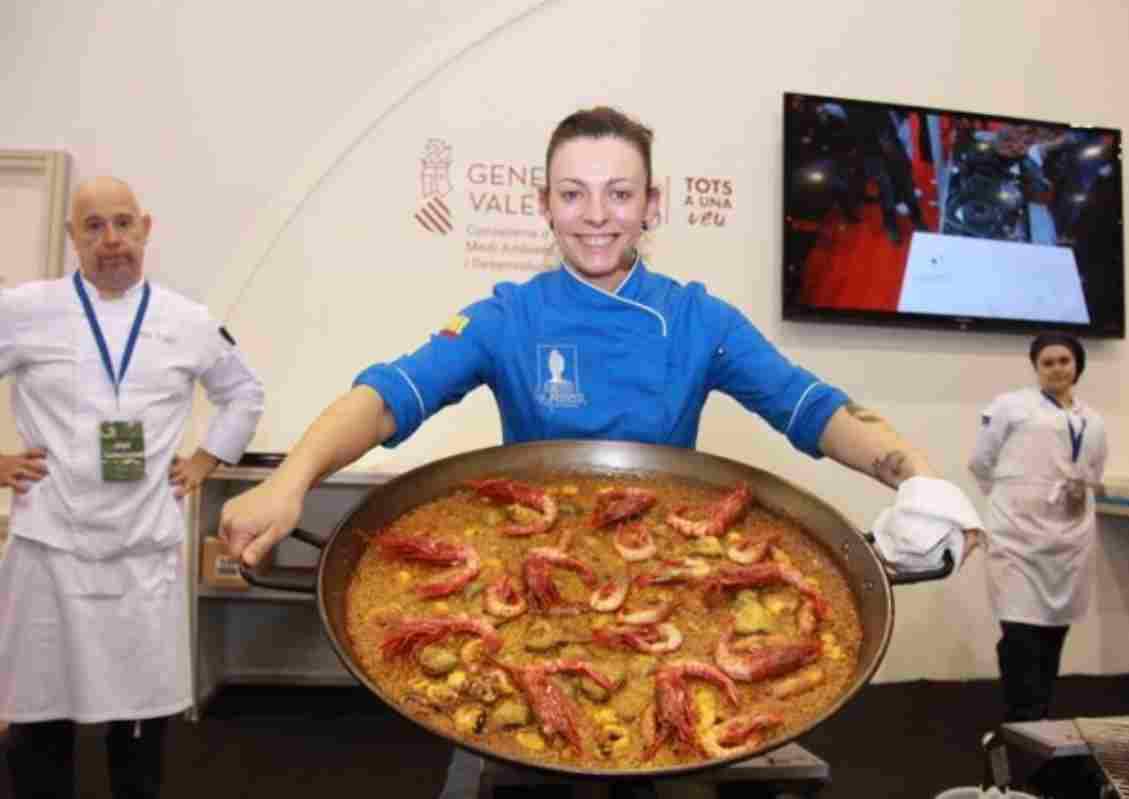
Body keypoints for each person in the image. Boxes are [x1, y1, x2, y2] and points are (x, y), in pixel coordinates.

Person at [219, 107, 981, 798]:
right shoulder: (508, 316)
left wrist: (920, 477)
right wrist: (291, 480)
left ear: (653, 205)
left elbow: (813, 407)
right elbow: (389, 395)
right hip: (532, 586)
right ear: (543, 203)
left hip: (674, 582)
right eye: (573, 193)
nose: (595, 215)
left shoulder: (697, 318)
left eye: (619, 194)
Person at [0, 176, 265, 799]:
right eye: (93, 226)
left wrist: (205, 461)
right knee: (40, 721)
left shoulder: (187, 320)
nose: (111, 239)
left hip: (143, 552)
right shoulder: (25, 310)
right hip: (49, 547)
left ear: (146, 229)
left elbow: (242, 393)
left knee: (141, 727)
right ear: (73, 236)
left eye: (122, 223)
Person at [968, 332, 1107, 727]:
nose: (1057, 368)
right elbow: (980, 462)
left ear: (1077, 365)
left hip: (1069, 539)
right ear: (1036, 367)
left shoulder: (1093, 421)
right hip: (1017, 535)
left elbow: (1094, 471)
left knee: (1053, 633)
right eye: (1047, 362)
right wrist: (1017, 497)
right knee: (1020, 632)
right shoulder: (1010, 407)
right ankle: (1021, 719)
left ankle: (1041, 716)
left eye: (1064, 360)